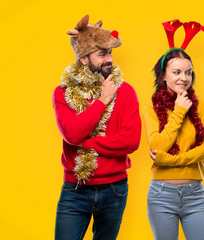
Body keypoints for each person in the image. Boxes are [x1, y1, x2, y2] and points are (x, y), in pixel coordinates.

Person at [52, 15, 141, 240]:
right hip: (75, 189)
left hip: (114, 189)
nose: (109, 59)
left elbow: (131, 141)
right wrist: (102, 101)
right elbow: (72, 134)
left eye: (110, 53)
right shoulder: (62, 93)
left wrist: (88, 143)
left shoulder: (126, 91)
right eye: (102, 54)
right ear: (83, 59)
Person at [143, 19, 204, 240]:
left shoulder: (201, 106)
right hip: (161, 195)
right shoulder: (151, 108)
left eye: (188, 72)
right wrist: (178, 112)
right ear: (164, 75)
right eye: (176, 72)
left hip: (195, 195)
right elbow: (157, 146)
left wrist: (171, 161)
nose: (184, 78)